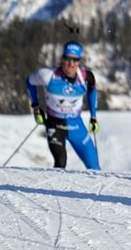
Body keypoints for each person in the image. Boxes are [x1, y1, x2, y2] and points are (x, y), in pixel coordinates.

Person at [25, 41, 100, 170]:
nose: (71, 63)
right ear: (62, 59)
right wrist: (36, 107)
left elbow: (92, 90)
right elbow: (29, 81)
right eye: (67, 59)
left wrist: (93, 117)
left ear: (79, 61)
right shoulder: (48, 75)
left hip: (76, 125)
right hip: (55, 123)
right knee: (60, 162)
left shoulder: (86, 77)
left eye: (75, 60)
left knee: (94, 166)